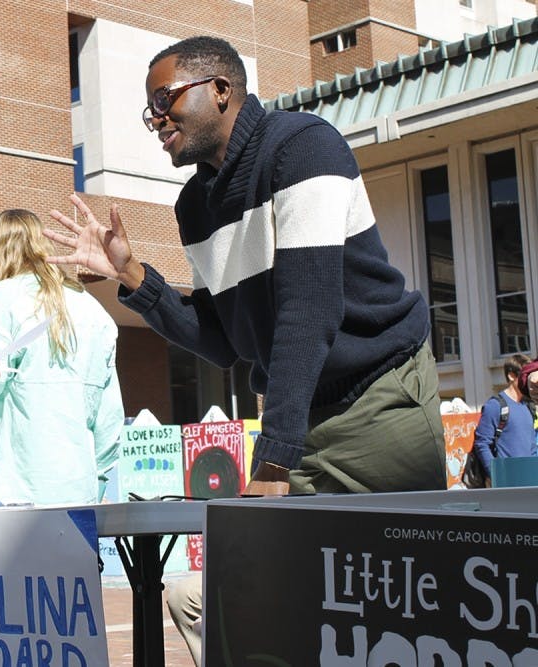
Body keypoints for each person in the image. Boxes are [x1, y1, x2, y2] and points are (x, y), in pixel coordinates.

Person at [46, 35, 447, 667]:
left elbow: (308, 312)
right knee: (260, 610)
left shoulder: (303, 147)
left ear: (221, 90)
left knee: (392, 615)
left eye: (164, 99)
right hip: (300, 425)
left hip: (377, 405)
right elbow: (219, 339)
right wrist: (132, 279)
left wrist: (273, 461)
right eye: (148, 109)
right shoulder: (195, 207)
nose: (155, 120)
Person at [0, 208, 124, 506]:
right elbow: (109, 419)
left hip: (18, 492)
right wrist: (99, 483)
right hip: (80, 490)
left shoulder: (5, 297)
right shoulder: (92, 309)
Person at [470, 354, 536, 485]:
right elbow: (482, 443)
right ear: (511, 375)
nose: (527, 382)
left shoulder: (528, 406)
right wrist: (496, 475)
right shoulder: (495, 405)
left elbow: (532, 445)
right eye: (524, 376)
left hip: (530, 480)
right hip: (507, 482)